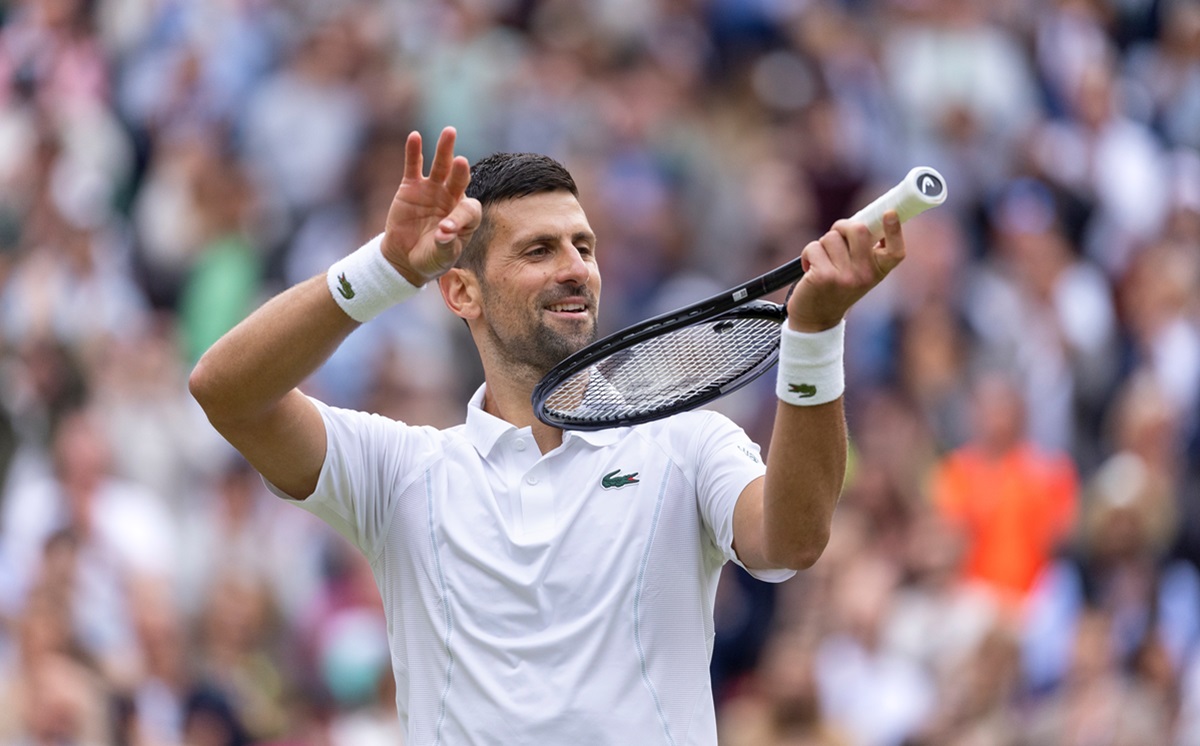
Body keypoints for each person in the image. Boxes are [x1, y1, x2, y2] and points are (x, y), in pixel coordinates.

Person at [188, 126, 908, 744]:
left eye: (584, 246)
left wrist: (815, 334)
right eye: (538, 251)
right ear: (460, 290)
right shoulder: (403, 469)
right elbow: (226, 391)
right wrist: (381, 270)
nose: (575, 270)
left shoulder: (688, 446)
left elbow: (793, 540)